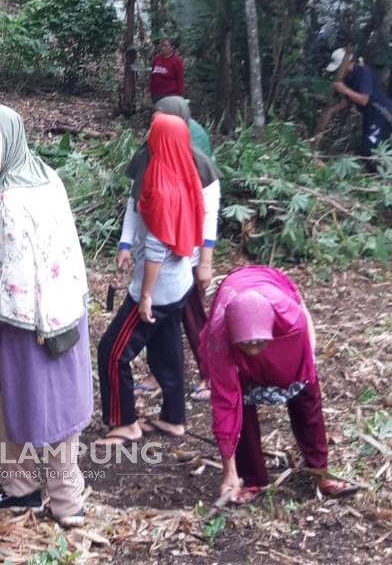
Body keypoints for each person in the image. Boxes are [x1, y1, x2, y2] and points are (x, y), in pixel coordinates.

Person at [0, 103, 92, 528]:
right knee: (47, 406)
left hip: (21, 323)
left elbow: (13, 268)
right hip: (64, 313)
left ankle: (38, 492)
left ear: (7, 145)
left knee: (26, 405)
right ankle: (50, 495)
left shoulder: (10, 201)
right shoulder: (46, 177)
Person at [200, 266, 359, 503]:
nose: (253, 351)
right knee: (239, 402)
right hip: (236, 301)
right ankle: (251, 478)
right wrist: (228, 472)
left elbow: (308, 359)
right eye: (247, 345)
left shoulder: (292, 321)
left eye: (258, 344)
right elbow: (225, 405)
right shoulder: (220, 338)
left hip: (275, 311)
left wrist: (299, 369)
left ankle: (321, 474)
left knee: (305, 395)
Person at [97, 114, 204, 445]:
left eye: (152, 132)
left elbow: (157, 246)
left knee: (112, 352)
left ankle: (124, 421)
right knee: (166, 349)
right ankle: (174, 418)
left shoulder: (160, 183)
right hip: (180, 284)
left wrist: (144, 297)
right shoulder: (186, 173)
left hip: (157, 289)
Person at [126, 96, 220, 402]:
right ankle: (158, 375)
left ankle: (211, 374)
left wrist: (205, 261)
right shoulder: (146, 157)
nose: (154, 122)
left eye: (161, 117)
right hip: (151, 258)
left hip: (185, 257)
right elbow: (135, 203)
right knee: (157, 322)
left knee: (192, 317)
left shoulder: (200, 165)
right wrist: (126, 243)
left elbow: (208, 215)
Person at [327, 47, 392, 171]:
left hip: (382, 114)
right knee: (366, 149)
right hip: (369, 117)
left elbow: (364, 100)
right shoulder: (348, 78)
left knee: (371, 150)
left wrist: (344, 89)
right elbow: (347, 101)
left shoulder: (363, 72)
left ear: (347, 63)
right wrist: (332, 111)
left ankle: (380, 178)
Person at [150, 37, 185, 103]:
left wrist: (180, 96)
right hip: (157, 95)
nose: (163, 48)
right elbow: (152, 76)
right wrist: (151, 92)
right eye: (162, 46)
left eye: (166, 46)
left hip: (171, 96)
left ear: (172, 47)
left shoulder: (176, 61)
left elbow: (180, 80)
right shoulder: (157, 59)